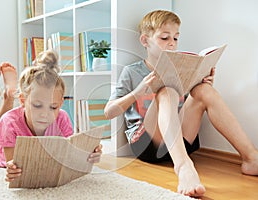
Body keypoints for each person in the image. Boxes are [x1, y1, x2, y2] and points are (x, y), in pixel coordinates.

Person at [104, 10, 258, 197]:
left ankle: (252, 158)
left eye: (176, 39)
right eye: (164, 38)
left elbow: (188, 105)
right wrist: (140, 91)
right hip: (146, 145)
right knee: (166, 90)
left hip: (180, 140)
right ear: (145, 41)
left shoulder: (179, 68)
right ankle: (183, 167)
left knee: (203, 90)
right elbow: (109, 112)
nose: (171, 43)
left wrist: (202, 82)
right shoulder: (131, 71)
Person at [0, 50, 102, 182]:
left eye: (53, 107)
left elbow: (68, 153)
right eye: (37, 105)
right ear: (22, 101)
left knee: (4, 122)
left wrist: (88, 153)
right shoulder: (9, 122)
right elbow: (14, 164)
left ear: (60, 103)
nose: (45, 114)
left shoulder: (62, 117)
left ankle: (9, 95)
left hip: (8, 126)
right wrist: (12, 170)